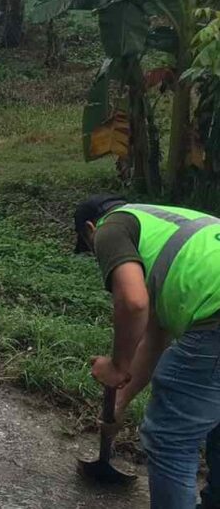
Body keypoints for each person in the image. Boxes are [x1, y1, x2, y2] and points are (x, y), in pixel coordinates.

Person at [74, 195, 220, 508]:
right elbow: (155, 337)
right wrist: (120, 402)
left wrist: (116, 364)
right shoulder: (167, 224)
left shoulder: (110, 228)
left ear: (89, 230)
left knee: (171, 439)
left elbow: (133, 302)